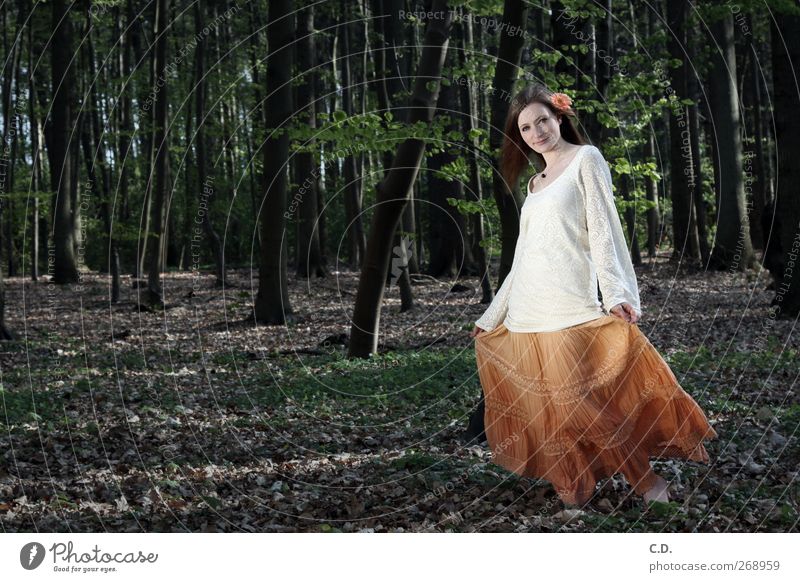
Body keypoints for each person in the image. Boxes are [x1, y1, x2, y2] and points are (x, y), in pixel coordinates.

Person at [470, 83, 717, 507]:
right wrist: (493, 316)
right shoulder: (533, 185)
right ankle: (574, 488)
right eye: (526, 127)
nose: (536, 132)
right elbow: (523, 258)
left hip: (571, 305)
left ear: (559, 118)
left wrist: (616, 291)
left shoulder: (587, 159)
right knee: (552, 413)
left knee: (587, 405)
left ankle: (646, 482)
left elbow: (603, 230)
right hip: (528, 312)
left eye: (542, 120)